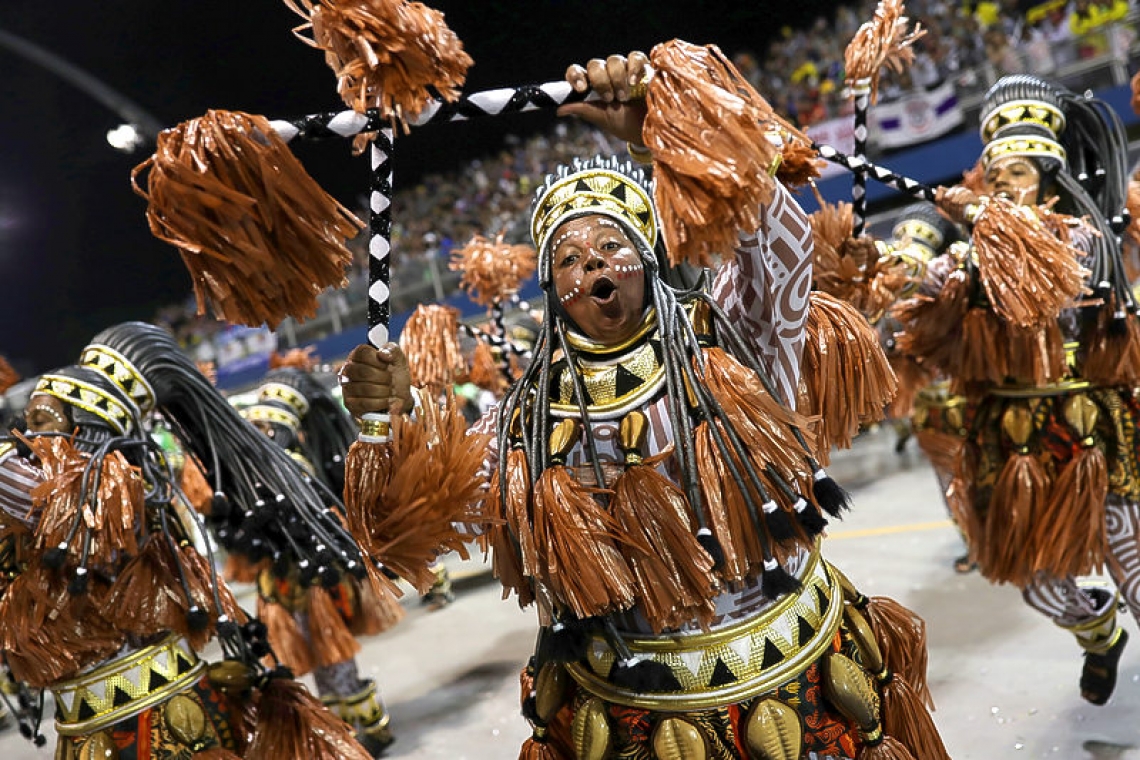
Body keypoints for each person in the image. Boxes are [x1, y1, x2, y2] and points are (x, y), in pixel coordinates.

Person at [342, 51, 949, 760]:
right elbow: (409, 530)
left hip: (795, 680)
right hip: (638, 716)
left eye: (610, 246)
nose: (592, 264)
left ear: (650, 260)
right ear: (549, 288)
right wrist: (385, 426)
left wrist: (660, 133)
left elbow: (778, 249)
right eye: (568, 258)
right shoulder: (524, 421)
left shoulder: (731, 342)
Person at [0, 322, 374, 757]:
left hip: (160, 719)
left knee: (334, 662)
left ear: (86, 428)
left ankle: (360, 718)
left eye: (42, 421)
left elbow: (54, 506)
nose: (27, 437)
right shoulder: (70, 490)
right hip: (103, 718)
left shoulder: (110, 491)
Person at [896, 73, 1139, 706]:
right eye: (996, 176)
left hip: (1091, 431)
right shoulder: (970, 254)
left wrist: (982, 215)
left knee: (1134, 566)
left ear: (1052, 178)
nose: (1003, 184)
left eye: (1019, 174)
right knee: (1035, 581)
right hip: (1009, 441)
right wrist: (892, 274)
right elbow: (926, 292)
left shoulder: (1082, 238)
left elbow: (1044, 268)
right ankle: (1098, 632)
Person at [240, 366, 402, 756]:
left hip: (316, 578)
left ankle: (366, 729)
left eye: (266, 424)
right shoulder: (259, 467)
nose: (262, 430)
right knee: (321, 663)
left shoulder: (297, 464)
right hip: (283, 582)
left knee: (335, 659)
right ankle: (343, 732)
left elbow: (317, 516)